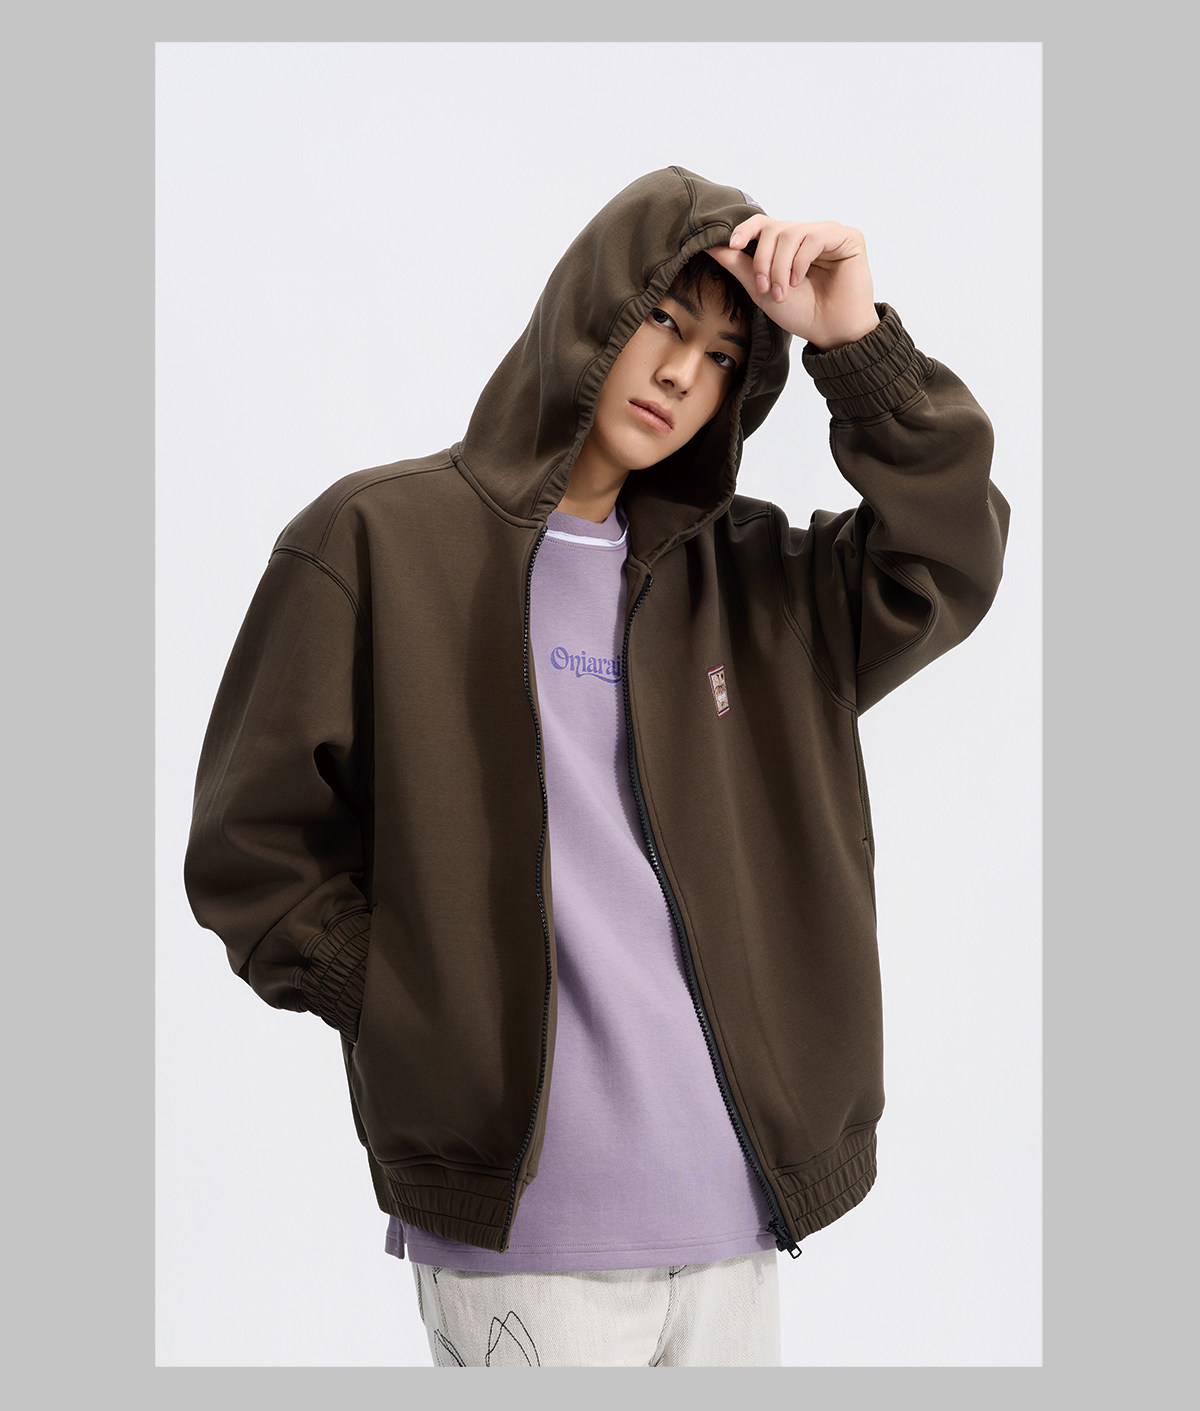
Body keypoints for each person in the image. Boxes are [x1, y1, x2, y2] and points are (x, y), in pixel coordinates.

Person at [183, 165, 1010, 1367]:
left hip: (734, 1220)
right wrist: (413, 1008)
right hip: (526, 1242)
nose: (681, 373)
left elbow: (946, 559)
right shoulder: (378, 540)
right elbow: (250, 848)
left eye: (724, 357)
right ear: (590, 310)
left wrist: (856, 345)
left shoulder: (754, 581)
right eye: (665, 322)